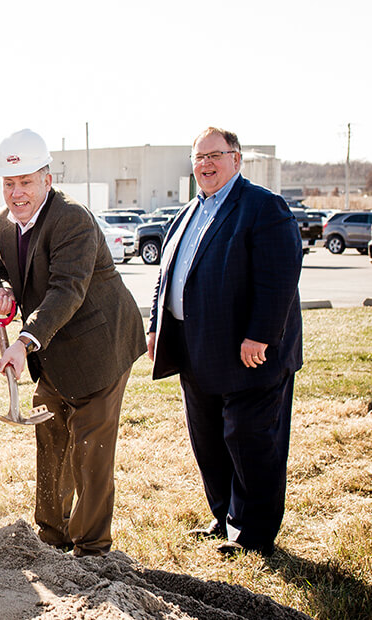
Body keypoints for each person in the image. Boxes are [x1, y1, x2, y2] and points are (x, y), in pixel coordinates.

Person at [0, 128, 145, 557]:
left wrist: (25, 339)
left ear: (47, 180)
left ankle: (92, 549)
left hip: (100, 347)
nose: (16, 193)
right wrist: (1, 289)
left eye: (26, 182)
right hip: (51, 350)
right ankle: (52, 538)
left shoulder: (73, 219)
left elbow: (66, 290)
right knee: (51, 437)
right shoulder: (3, 224)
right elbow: (5, 270)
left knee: (89, 449)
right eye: (9, 184)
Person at [148, 127, 302, 557]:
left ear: (237, 160)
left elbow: (280, 277)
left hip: (250, 354)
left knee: (250, 440)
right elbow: (167, 276)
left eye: (215, 155)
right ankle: (224, 518)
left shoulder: (262, 207)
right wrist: (157, 326)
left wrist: (261, 335)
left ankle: (253, 535)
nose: (205, 164)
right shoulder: (187, 214)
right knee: (209, 440)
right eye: (199, 157)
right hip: (197, 351)